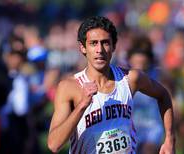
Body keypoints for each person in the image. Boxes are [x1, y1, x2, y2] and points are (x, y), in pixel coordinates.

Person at [47, 16, 175, 154]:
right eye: (93, 43)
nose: (99, 50)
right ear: (83, 47)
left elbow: (163, 95)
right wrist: (82, 105)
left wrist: (169, 139)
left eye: (105, 43)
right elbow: (54, 144)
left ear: (114, 46)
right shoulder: (69, 87)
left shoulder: (130, 79)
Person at [127, 35, 165, 154]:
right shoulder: (123, 78)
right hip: (129, 128)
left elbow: (168, 96)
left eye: (142, 63)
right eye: (137, 63)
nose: (140, 67)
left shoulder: (158, 76)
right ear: (130, 60)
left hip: (152, 127)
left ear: (149, 61)